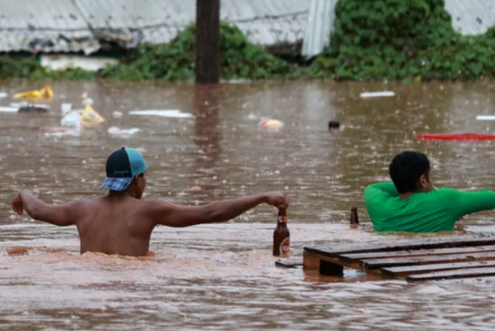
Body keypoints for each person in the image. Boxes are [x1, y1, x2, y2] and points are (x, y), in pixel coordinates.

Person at [11, 147, 289, 257]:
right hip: (134, 287)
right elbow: (212, 213)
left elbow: (37, 210)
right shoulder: (150, 210)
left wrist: (23, 193)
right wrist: (262, 197)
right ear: (137, 179)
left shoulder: (81, 209)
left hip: (89, 279)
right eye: (144, 177)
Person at [364, 151, 495, 233]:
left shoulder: (378, 204)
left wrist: (403, 183)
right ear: (423, 180)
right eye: (431, 176)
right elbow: (493, 198)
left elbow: (374, 187)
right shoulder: (446, 199)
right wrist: (439, 195)